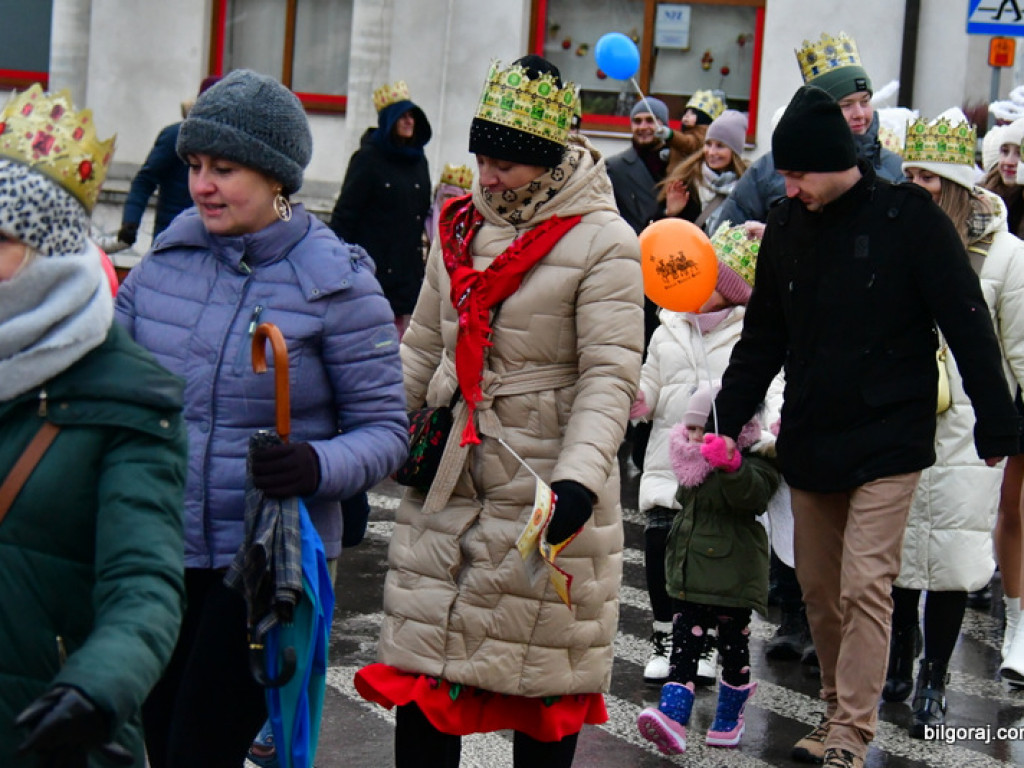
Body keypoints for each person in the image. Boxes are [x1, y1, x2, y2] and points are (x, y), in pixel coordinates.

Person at [708, 84, 1018, 768]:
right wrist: (724, 421)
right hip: (814, 432)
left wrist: (999, 424)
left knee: (865, 583)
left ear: (832, 162)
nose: (787, 190)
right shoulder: (789, 227)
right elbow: (762, 337)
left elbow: (967, 322)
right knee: (819, 589)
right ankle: (830, 711)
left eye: (797, 175)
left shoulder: (908, 218)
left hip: (890, 436)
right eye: (781, 176)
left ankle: (852, 730)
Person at [353, 54, 643, 768]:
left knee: (540, 683)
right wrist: (377, 440)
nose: (486, 178)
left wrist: (577, 478)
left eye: (505, 167)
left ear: (547, 163)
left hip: (547, 488)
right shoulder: (458, 230)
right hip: (450, 480)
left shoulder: (606, 241)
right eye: (482, 159)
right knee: (425, 676)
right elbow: (420, 349)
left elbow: (610, 374)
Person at [114, 69, 409, 767]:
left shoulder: (335, 280)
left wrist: (315, 464)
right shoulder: (169, 257)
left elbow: (386, 433)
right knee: (149, 738)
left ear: (277, 178)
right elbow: (114, 384)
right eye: (194, 166)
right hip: (154, 548)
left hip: (260, 566)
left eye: (225, 168)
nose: (202, 185)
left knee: (199, 747)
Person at [0, 85, 187, 766]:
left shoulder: (132, 395)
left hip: (50, 730)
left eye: (1, 241)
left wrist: (97, 686)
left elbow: (144, 583)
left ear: (47, 250)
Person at [715, 31, 905, 668]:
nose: (857, 112)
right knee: (797, 505)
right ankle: (794, 610)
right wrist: (761, 243)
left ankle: (865, 680)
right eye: (842, 101)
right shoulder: (774, 168)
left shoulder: (891, 172)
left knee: (868, 552)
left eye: (862, 99)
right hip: (793, 353)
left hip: (874, 374)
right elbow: (726, 245)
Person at [888, 109, 1024, 733]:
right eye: (907, 172)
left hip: (968, 426)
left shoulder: (1006, 256)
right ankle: (895, 661)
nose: (913, 184)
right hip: (901, 413)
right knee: (891, 550)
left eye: (926, 176)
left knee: (950, 559)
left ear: (953, 185)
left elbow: (1018, 349)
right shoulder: (893, 238)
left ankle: (935, 679)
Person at [629, 221, 769, 687]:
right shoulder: (667, 327)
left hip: (714, 471)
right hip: (665, 462)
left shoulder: (748, 337)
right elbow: (650, 378)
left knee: (707, 559)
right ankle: (664, 634)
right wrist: (639, 398)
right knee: (658, 548)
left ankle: (704, 642)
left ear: (728, 293)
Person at [636, 382, 779, 755]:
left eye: (705, 429)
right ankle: (672, 717)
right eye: (692, 428)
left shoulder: (758, 457)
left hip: (732, 575)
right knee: (684, 647)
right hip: (692, 573)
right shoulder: (689, 461)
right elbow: (687, 508)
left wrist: (731, 466)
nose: (697, 437)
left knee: (733, 649)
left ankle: (730, 715)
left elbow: (755, 496)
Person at [714, 31, 905, 230]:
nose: (859, 114)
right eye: (846, 105)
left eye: (865, 102)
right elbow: (728, 237)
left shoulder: (896, 169)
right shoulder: (768, 170)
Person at [329, 79, 432, 338]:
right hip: (372, 275)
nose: (409, 121)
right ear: (389, 119)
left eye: (412, 116)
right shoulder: (367, 159)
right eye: (402, 116)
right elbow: (345, 216)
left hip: (407, 276)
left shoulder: (419, 161)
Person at [116, 75, 221, 249]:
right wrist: (130, 222)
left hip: (212, 243)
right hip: (171, 240)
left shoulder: (232, 145)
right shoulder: (175, 137)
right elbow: (144, 181)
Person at [662, 109, 748, 233]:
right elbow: (660, 232)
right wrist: (670, 214)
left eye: (720, 146)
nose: (712, 152)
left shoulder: (746, 187)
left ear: (734, 151)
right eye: (708, 144)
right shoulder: (685, 182)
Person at [661, 89, 727, 171]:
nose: (686, 116)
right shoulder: (685, 132)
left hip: (685, 179)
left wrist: (670, 135)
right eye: (686, 113)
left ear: (703, 117)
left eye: (692, 113)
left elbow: (689, 144)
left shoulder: (703, 134)